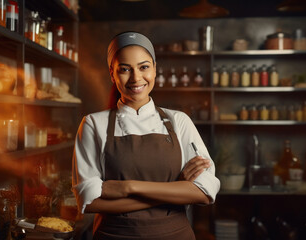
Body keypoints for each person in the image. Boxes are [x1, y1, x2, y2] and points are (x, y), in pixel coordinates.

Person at [72, 31, 220, 240]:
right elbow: (89, 201)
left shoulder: (179, 121)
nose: (136, 78)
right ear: (112, 74)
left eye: (144, 67)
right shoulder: (93, 124)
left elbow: (206, 192)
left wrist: (127, 187)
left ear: (155, 69)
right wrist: (175, 190)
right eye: (124, 69)